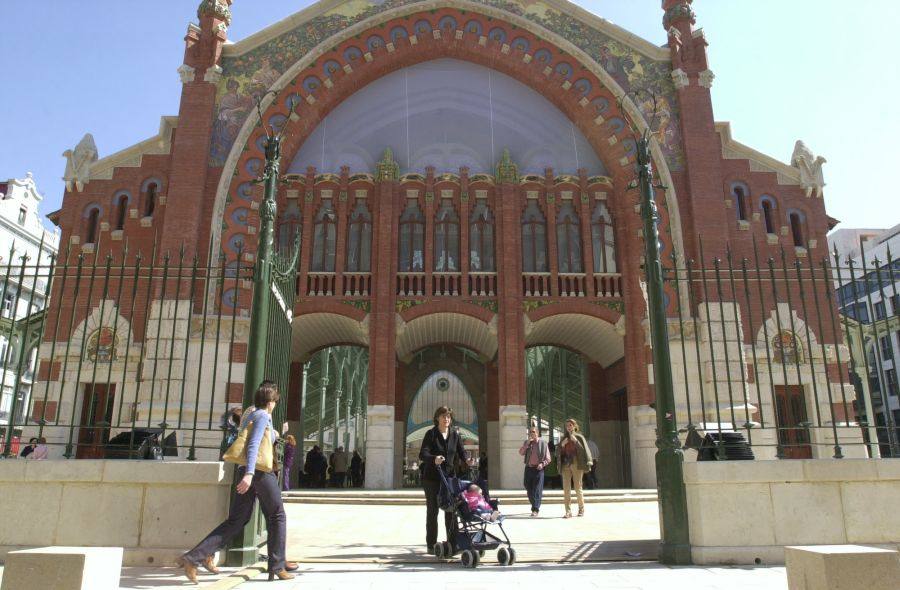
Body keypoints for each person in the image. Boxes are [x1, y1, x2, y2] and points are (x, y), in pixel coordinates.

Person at [178, 381, 297, 583]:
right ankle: (277, 566)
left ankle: (194, 557)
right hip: (259, 472)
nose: (275, 404)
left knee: (238, 520)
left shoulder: (251, 413)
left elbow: (255, 436)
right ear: (271, 401)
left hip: (246, 470)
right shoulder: (262, 415)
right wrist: (250, 474)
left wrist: (275, 434)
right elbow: (252, 446)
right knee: (277, 515)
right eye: (275, 401)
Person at [418, 406, 467, 555]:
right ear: (437, 417)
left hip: (449, 479)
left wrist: (467, 460)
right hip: (432, 479)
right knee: (433, 511)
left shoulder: (454, 434)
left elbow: (461, 452)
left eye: (449, 417)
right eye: (444, 416)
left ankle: (453, 543)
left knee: (451, 511)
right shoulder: (431, 434)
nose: (446, 419)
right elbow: (423, 454)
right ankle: (431, 544)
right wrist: (434, 459)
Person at [557, 418, 593, 518]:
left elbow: (584, 451)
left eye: (570, 425)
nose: (568, 427)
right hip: (565, 465)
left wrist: (576, 441)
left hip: (576, 464)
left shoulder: (579, 437)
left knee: (578, 487)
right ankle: (568, 511)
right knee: (566, 489)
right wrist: (562, 446)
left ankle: (581, 509)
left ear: (574, 426)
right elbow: (558, 453)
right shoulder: (563, 438)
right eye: (567, 425)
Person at [518, 426, 551, 517]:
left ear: (537, 433)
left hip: (538, 469)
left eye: (533, 432)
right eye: (530, 432)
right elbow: (521, 453)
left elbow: (548, 459)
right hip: (528, 468)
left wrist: (542, 464)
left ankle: (535, 509)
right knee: (528, 487)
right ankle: (534, 505)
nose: (531, 434)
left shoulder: (543, 443)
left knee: (537, 490)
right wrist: (527, 444)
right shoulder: (527, 443)